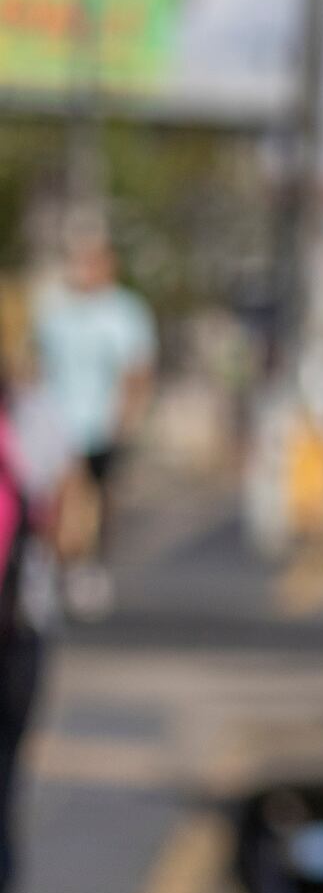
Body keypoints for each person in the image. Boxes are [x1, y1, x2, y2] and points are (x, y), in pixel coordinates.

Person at [32, 231, 153, 621]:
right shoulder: (55, 310)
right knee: (59, 501)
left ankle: (90, 566)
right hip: (57, 424)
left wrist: (127, 417)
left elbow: (136, 370)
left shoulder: (124, 312)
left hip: (100, 424)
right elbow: (36, 364)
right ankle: (58, 568)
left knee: (98, 500)